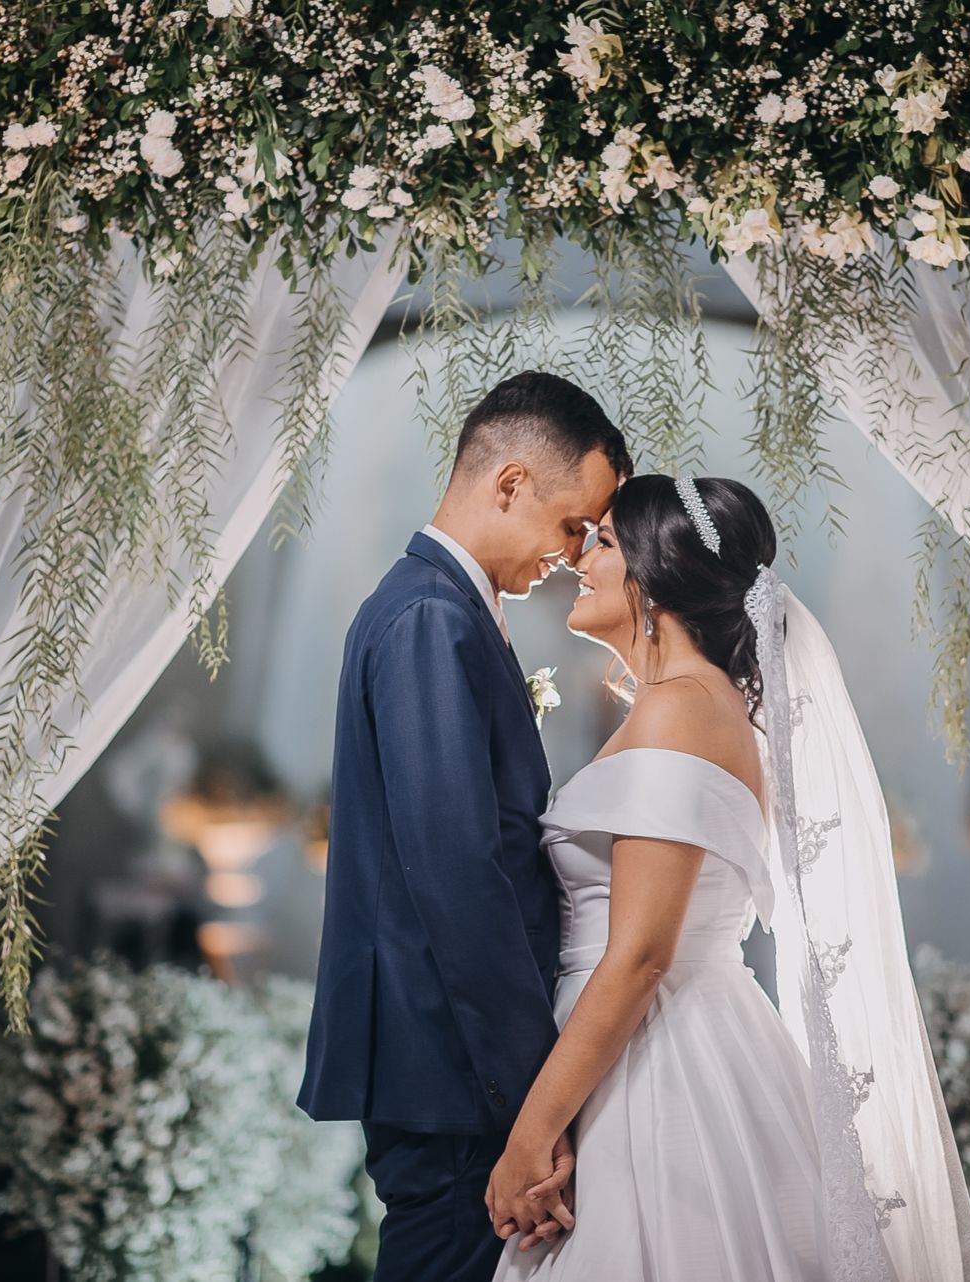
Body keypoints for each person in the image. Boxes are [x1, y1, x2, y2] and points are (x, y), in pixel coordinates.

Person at [486, 475, 970, 1282]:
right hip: (671, 1037)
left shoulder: (680, 710)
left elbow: (642, 955)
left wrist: (528, 1138)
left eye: (607, 544)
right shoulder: (698, 704)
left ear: (655, 577)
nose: (582, 557)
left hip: (659, 1063)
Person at [298, 370, 631, 1282]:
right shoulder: (428, 618)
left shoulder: (440, 608)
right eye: (573, 527)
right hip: (456, 1075)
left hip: (452, 1065)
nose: (571, 558)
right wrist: (536, 1100)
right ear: (511, 482)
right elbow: (458, 876)